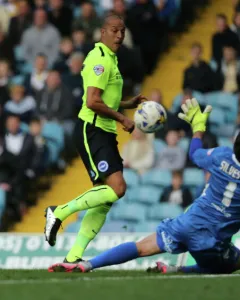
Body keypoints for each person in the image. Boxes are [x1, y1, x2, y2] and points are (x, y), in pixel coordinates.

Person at [49, 98, 240, 274]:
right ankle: (179, 270)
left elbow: (194, 153)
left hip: (185, 224)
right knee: (238, 261)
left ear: (235, 145)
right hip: (210, 243)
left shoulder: (221, 156)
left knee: (141, 247)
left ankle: (87, 264)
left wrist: (198, 128)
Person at [44, 14, 146, 264]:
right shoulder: (100, 59)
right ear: (102, 32)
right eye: (114, 30)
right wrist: (122, 118)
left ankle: (73, 256)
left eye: (122, 31)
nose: (119, 35)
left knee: (105, 198)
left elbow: (104, 98)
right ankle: (58, 212)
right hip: (93, 130)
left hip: (104, 132)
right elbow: (92, 102)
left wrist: (127, 104)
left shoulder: (111, 59)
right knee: (117, 188)